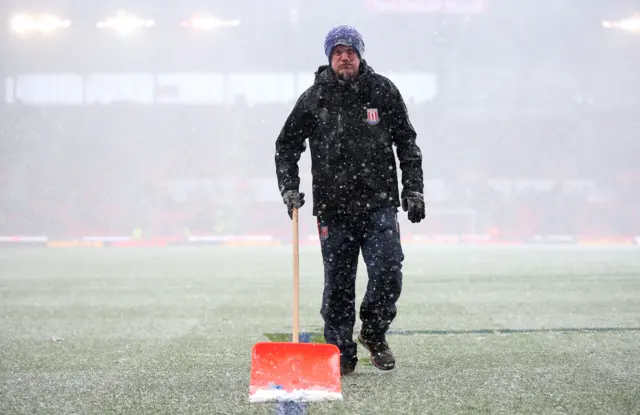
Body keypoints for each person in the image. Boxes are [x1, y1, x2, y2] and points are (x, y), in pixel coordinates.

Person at [274, 25, 425, 375]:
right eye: (338, 51)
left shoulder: (383, 91)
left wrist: (413, 188)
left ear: (360, 55)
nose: (345, 56)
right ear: (329, 57)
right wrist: (289, 187)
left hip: (380, 205)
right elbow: (286, 147)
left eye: (351, 51)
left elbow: (407, 143)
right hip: (334, 209)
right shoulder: (315, 98)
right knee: (339, 285)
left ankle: (373, 332)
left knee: (388, 272)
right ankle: (340, 350)